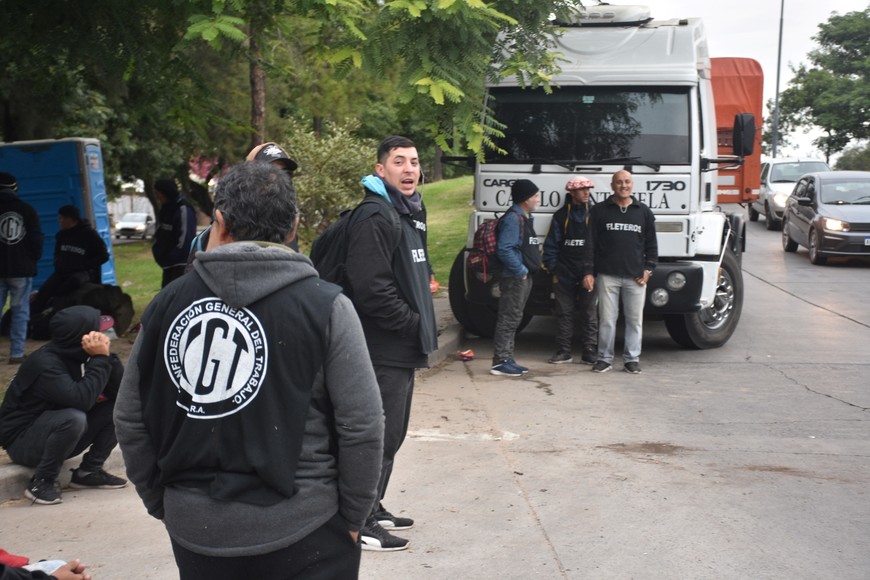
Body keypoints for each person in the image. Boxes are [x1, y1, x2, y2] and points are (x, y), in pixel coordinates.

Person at [115, 161, 384, 579]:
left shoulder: (166, 306)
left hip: (196, 532)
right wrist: (353, 518)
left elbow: (130, 418)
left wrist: (164, 503)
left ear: (219, 222)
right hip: (307, 528)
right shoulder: (327, 306)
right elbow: (363, 426)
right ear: (293, 227)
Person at [344, 135, 437, 551]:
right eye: (399, 162)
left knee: (392, 434)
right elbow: (371, 288)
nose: (409, 169)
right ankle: (359, 520)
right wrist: (411, 320)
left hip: (403, 346)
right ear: (380, 170)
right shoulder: (375, 216)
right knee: (376, 437)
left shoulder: (409, 212)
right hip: (382, 347)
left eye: (414, 162)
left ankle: (374, 504)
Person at [0, 305, 127, 505]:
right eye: (97, 331)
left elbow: (120, 393)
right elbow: (81, 401)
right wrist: (100, 359)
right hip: (22, 443)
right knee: (73, 417)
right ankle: (42, 482)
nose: (103, 335)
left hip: (57, 433)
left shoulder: (77, 354)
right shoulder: (45, 364)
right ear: (80, 337)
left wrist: (107, 358)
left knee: (119, 407)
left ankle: (88, 471)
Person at [582, 169, 657, 374]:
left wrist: (649, 269)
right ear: (612, 185)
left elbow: (651, 244)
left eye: (627, 182)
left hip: (636, 278)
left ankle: (631, 359)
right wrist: (588, 272)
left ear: (632, 185)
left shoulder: (643, 212)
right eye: (619, 182)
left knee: (634, 320)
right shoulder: (599, 211)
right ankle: (604, 359)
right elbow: (590, 244)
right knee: (606, 319)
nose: (624, 186)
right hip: (607, 275)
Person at [185, 141, 300, 270]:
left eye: (285, 173)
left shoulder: (288, 225)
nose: (275, 180)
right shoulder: (222, 226)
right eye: (267, 172)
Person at [543, 177, 598, 365]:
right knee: (563, 312)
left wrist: (594, 271)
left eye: (588, 189)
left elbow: (602, 245)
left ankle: (590, 350)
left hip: (589, 273)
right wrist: (555, 269)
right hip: (564, 273)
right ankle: (563, 350)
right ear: (572, 193)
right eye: (582, 190)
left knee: (589, 312)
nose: (586, 193)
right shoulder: (560, 216)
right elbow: (550, 246)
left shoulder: (596, 214)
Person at [490, 179, 542, 377]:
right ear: (526, 198)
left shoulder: (523, 216)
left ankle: (507, 358)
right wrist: (521, 272)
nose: (538, 200)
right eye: (535, 196)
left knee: (514, 318)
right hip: (514, 278)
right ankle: (500, 361)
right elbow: (504, 248)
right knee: (509, 318)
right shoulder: (513, 218)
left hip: (519, 277)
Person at [30, 206, 108, 315]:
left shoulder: (89, 234)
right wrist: (58, 263)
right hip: (62, 271)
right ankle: (33, 318)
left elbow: (104, 256)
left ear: (71, 219)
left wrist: (84, 265)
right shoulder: (62, 235)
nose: (59, 221)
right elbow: (57, 253)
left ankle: (56, 310)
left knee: (67, 287)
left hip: (83, 273)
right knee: (44, 291)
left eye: (62, 218)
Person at [0, 172, 44, 365]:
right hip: (21, 269)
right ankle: (16, 354)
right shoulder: (27, 210)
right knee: (20, 311)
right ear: (14, 188)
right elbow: (36, 239)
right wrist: (32, 260)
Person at [151, 178, 196, 287]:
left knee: (178, 298)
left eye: (159, 194)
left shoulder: (183, 209)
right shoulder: (165, 209)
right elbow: (160, 233)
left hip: (180, 266)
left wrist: (172, 258)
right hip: (168, 266)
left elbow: (185, 239)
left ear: (166, 192)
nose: (158, 197)